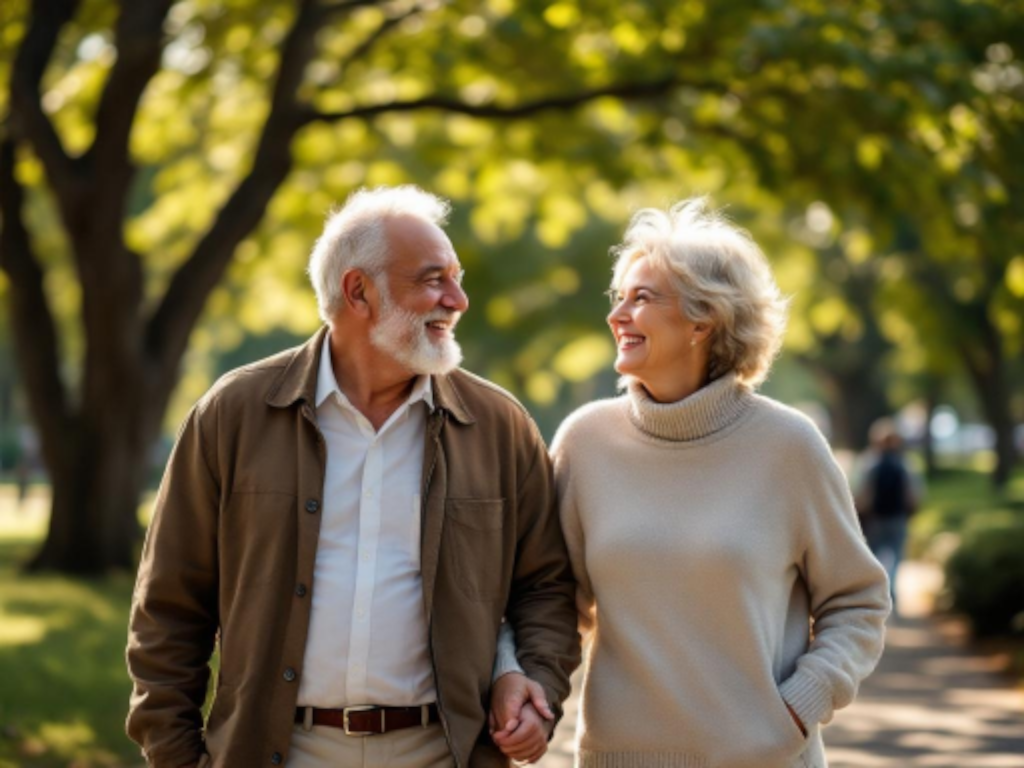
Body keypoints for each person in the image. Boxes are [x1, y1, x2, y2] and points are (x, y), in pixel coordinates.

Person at [126, 186, 580, 768]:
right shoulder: (233, 414)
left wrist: (536, 683)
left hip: (443, 754)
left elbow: (544, 586)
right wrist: (178, 757)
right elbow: (167, 608)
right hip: (281, 753)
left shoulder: (498, 425)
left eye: (457, 277)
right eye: (433, 279)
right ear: (359, 291)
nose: (459, 299)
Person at [492, 198, 890, 768]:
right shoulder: (585, 442)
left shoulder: (789, 446)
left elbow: (858, 600)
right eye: (618, 297)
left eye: (642, 297)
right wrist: (521, 681)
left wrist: (798, 709)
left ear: (704, 319)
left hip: (762, 759)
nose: (617, 315)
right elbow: (546, 596)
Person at [853, 418, 923, 609]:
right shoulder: (906, 464)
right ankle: (891, 592)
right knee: (896, 557)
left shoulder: (868, 462)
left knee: (873, 557)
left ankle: (876, 594)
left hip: (875, 518)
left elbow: (860, 493)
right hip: (898, 517)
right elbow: (915, 494)